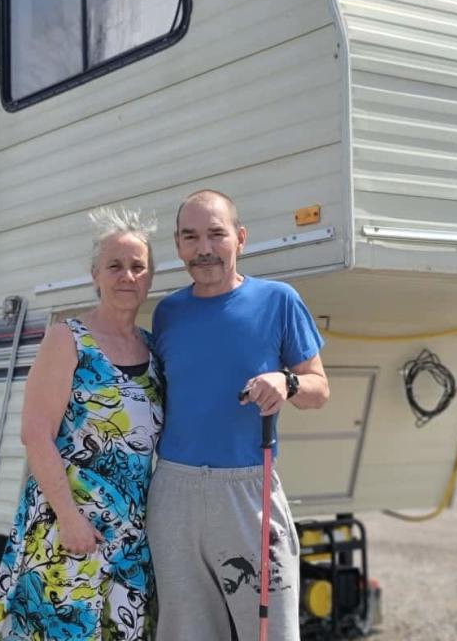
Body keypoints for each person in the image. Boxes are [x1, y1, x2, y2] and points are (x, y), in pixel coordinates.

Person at [147, 189, 330, 641]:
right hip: (174, 491)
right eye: (190, 237)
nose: (204, 249)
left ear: (240, 238)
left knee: (272, 631)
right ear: (177, 245)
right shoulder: (167, 313)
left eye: (216, 234)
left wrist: (286, 382)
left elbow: (319, 389)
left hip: (248, 489)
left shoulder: (278, 300)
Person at [0, 207, 162, 641]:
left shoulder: (154, 349)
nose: (127, 276)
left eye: (138, 267)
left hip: (130, 536)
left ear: (151, 277)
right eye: (115, 266)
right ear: (94, 274)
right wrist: (70, 518)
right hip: (68, 527)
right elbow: (35, 434)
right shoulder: (67, 338)